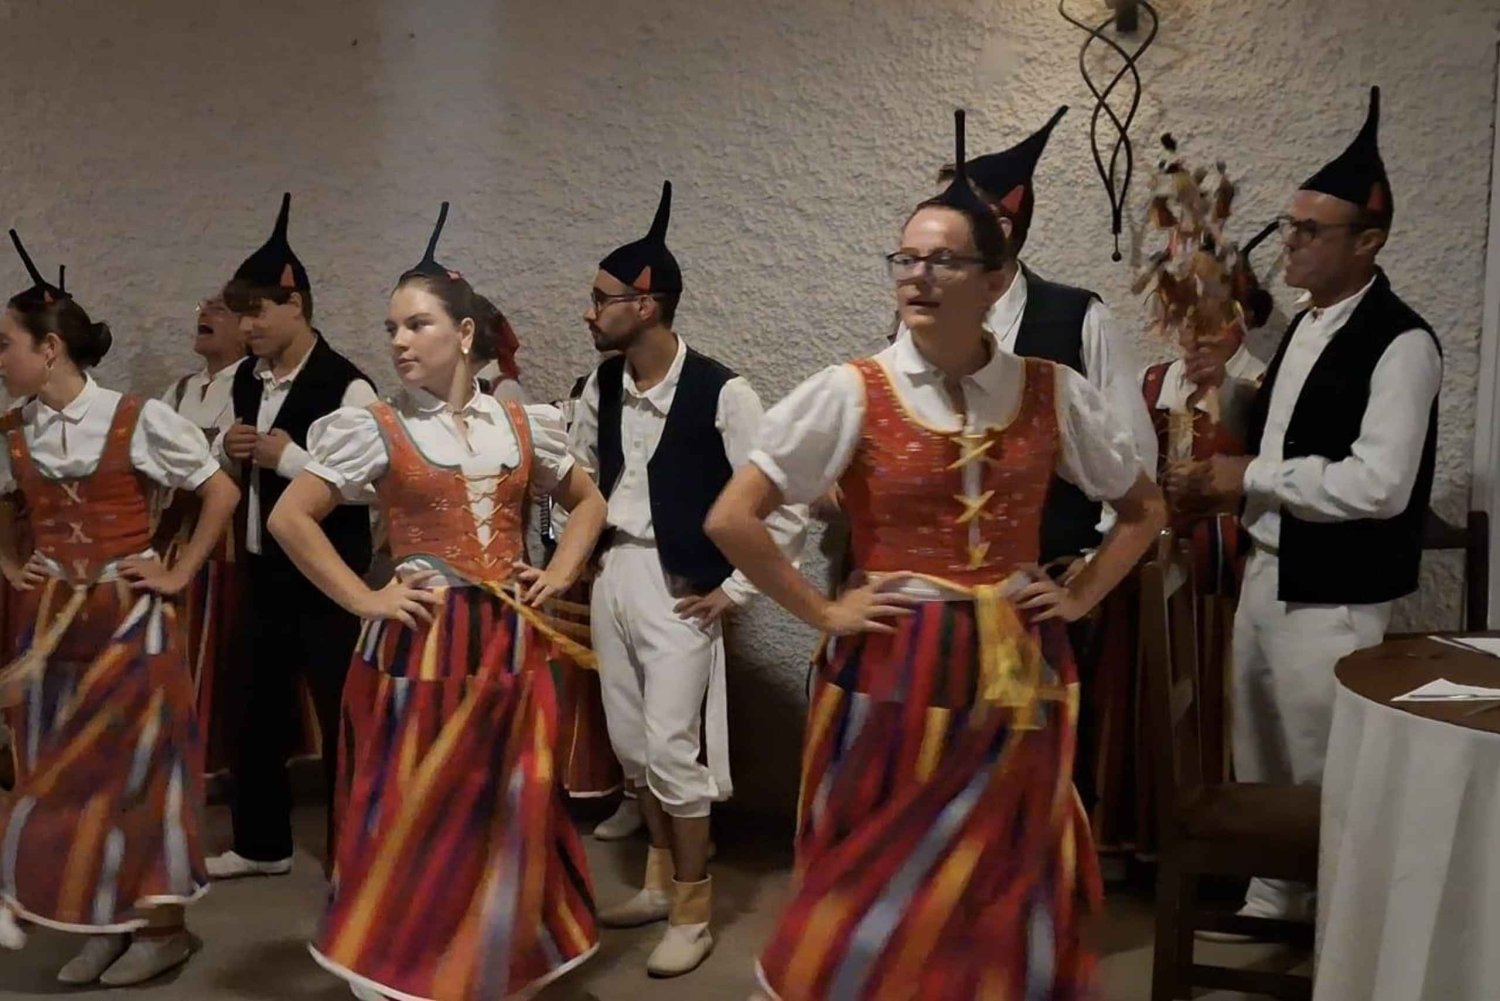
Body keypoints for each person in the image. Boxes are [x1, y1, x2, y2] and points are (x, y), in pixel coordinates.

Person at [705, 110, 1165, 1000]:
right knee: (881, 856)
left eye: (942, 259)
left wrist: (1081, 595)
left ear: (995, 279)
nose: (916, 276)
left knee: (1007, 861)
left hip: (1017, 659)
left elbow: (1143, 509)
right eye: (905, 258)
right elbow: (735, 517)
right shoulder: (852, 389)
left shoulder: (1050, 389)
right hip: (893, 654)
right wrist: (824, 608)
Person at [267, 202, 607, 1001]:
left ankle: (491, 951)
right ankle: (405, 959)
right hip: (420, 642)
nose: (398, 340)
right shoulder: (374, 426)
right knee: (417, 803)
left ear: (465, 334)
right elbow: (292, 518)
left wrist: (556, 573)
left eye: (417, 324)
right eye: (392, 327)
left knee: (508, 798)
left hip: (508, 643)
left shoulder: (526, 425)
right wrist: (367, 597)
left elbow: (590, 501)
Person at [1172, 86, 1442, 928]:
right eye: (1286, 225)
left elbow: (1377, 485)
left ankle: (1341, 927)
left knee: (1325, 767)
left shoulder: (1401, 341)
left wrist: (1247, 475)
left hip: (1335, 595)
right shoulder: (1310, 322)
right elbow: (1296, 428)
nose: (1285, 243)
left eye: (1307, 231)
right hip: (1268, 572)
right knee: (1259, 751)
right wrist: (1231, 393)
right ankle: (1273, 897)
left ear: (1369, 241)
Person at [570, 181, 805, 977]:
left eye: (601, 298)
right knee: (632, 747)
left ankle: (695, 909)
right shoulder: (599, 386)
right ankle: (657, 881)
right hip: (615, 574)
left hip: (679, 587)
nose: (589, 311)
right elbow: (586, 485)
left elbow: (785, 506)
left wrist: (735, 591)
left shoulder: (723, 392)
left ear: (646, 303)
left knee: (674, 750)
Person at [0, 231, 240, 985]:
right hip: (52, 626)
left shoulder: (136, 419)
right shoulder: (14, 434)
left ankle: (161, 926)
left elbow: (221, 491)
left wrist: (175, 572)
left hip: (129, 623)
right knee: (69, 776)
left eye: (5, 343)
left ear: (49, 349)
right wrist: (13, 564)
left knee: (139, 773)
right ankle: (102, 917)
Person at [926, 107, 1157, 816]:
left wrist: (1085, 574)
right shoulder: (923, 315)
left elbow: (1134, 462)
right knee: (941, 775)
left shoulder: (1077, 318)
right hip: (935, 596)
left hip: (1034, 591)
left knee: (1032, 777)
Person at [207, 194, 378, 880]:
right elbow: (228, 465)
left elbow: (373, 484)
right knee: (253, 707)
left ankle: (356, 854)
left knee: (344, 718)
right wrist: (232, 445)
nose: (245, 326)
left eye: (256, 311)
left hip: (330, 576)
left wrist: (291, 461)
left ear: (296, 305)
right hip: (263, 567)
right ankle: (261, 842)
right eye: (239, 312)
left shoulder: (349, 384)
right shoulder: (246, 378)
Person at [156, 293, 249, 777]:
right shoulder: (180, 391)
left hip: (229, 536)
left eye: (218, 310)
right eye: (202, 308)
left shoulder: (252, 386)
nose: (204, 315)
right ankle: (173, 745)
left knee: (218, 640)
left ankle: (212, 757)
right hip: (179, 530)